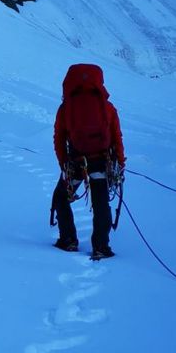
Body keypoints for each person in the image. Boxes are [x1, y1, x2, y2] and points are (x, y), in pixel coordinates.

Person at [51, 63, 125, 258]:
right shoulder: (107, 108)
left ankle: (68, 240)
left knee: (60, 197)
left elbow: (59, 138)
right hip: (102, 162)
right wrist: (120, 162)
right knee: (101, 203)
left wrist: (63, 163)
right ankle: (101, 246)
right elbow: (117, 137)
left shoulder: (66, 108)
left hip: (76, 163)